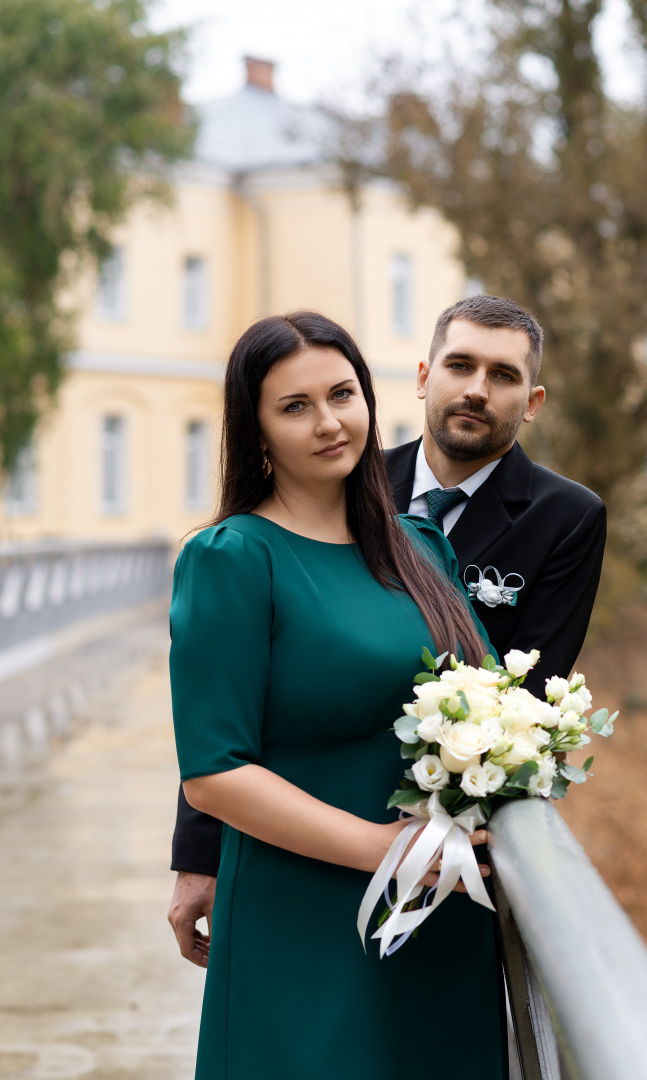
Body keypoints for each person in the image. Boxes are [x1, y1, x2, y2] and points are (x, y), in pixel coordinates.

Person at [168, 294, 606, 970]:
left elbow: (526, 697)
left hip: (446, 865)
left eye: (503, 376)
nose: (476, 390)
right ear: (424, 375)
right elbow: (221, 726)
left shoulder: (542, 521)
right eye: (460, 365)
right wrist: (199, 855)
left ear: (532, 399)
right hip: (308, 867)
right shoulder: (264, 533)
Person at [169, 310, 507, 1078]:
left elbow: (489, 707)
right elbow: (214, 771)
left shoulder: (421, 547)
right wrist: (382, 851)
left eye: (342, 394)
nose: (329, 422)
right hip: (308, 913)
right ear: (255, 432)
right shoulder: (231, 559)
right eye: (295, 407)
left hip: (442, 913)